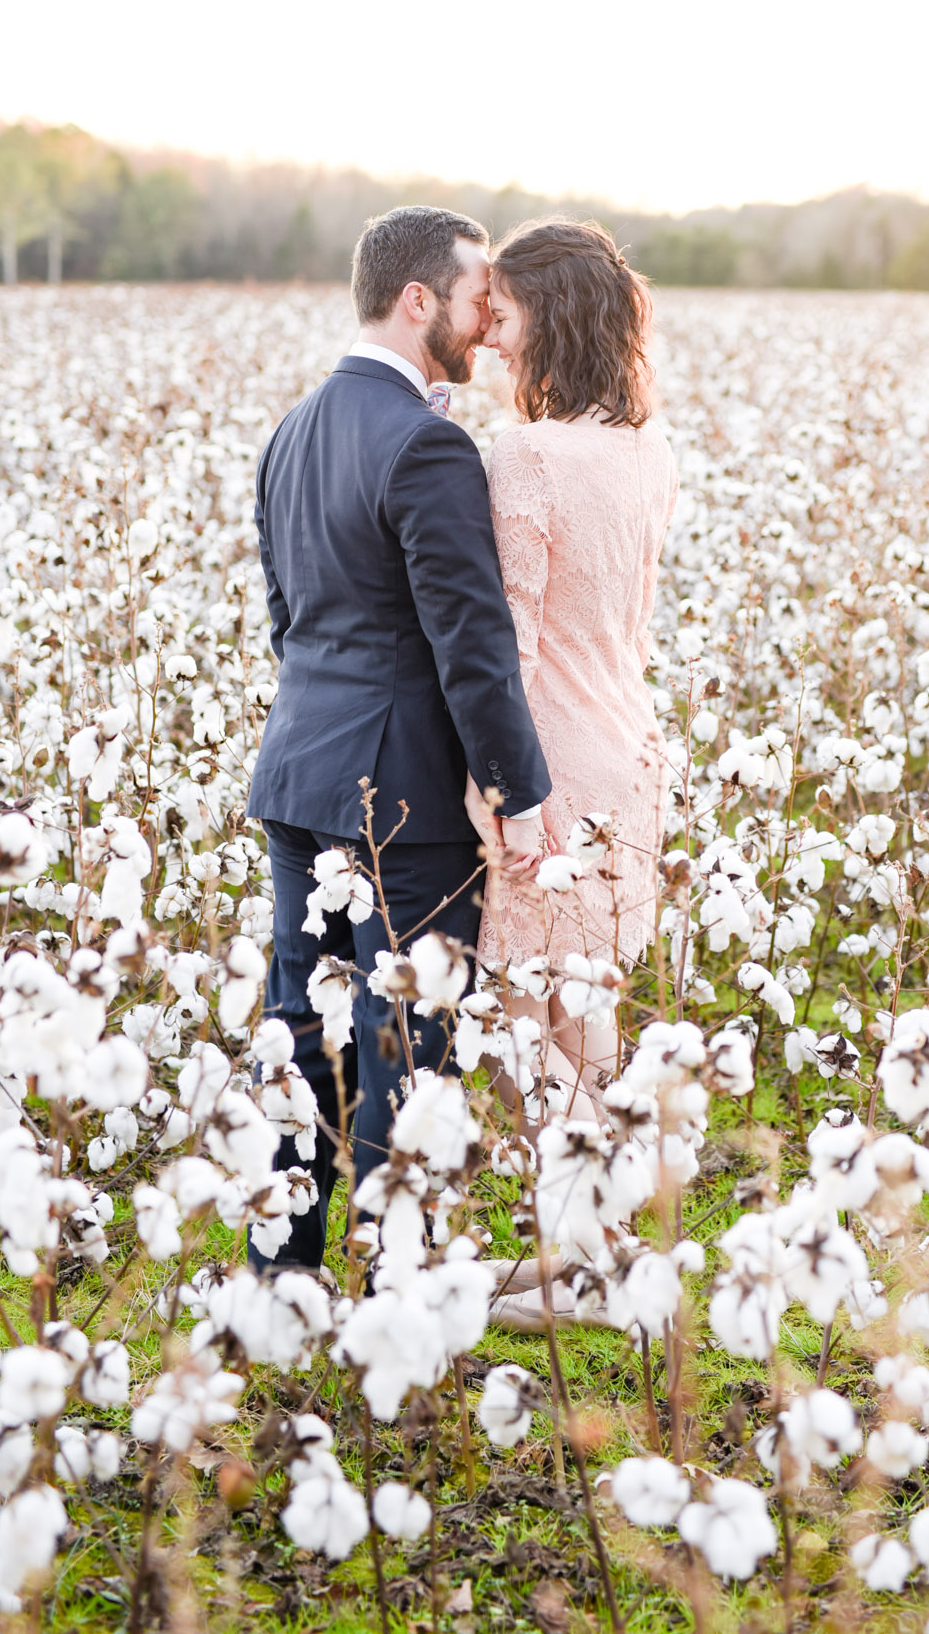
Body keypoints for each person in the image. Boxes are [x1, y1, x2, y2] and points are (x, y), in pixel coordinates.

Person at [246, 205, 551, 1272]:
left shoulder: (291, 428)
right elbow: (471, 640)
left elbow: (287, 616)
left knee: (299, 1028)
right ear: (417, 299)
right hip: (403, 800)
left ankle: (278, 1274)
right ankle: (394, 1287)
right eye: (475, 296)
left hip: (297, 772)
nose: (484, 320)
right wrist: (517, 788)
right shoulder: (426, 443)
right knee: (403, 1044)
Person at [476, 219, 678, 1140]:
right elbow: (631, 616)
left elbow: (507, 642)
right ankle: (600, 1257)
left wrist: (508, 792)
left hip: (548, 760)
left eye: (504, 311)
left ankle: (591, 1243)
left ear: (548, 319)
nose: (488, 331)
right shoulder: (651, 449)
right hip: (627, 750)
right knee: (581, 1004)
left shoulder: (528, 456)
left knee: (505, 1020)